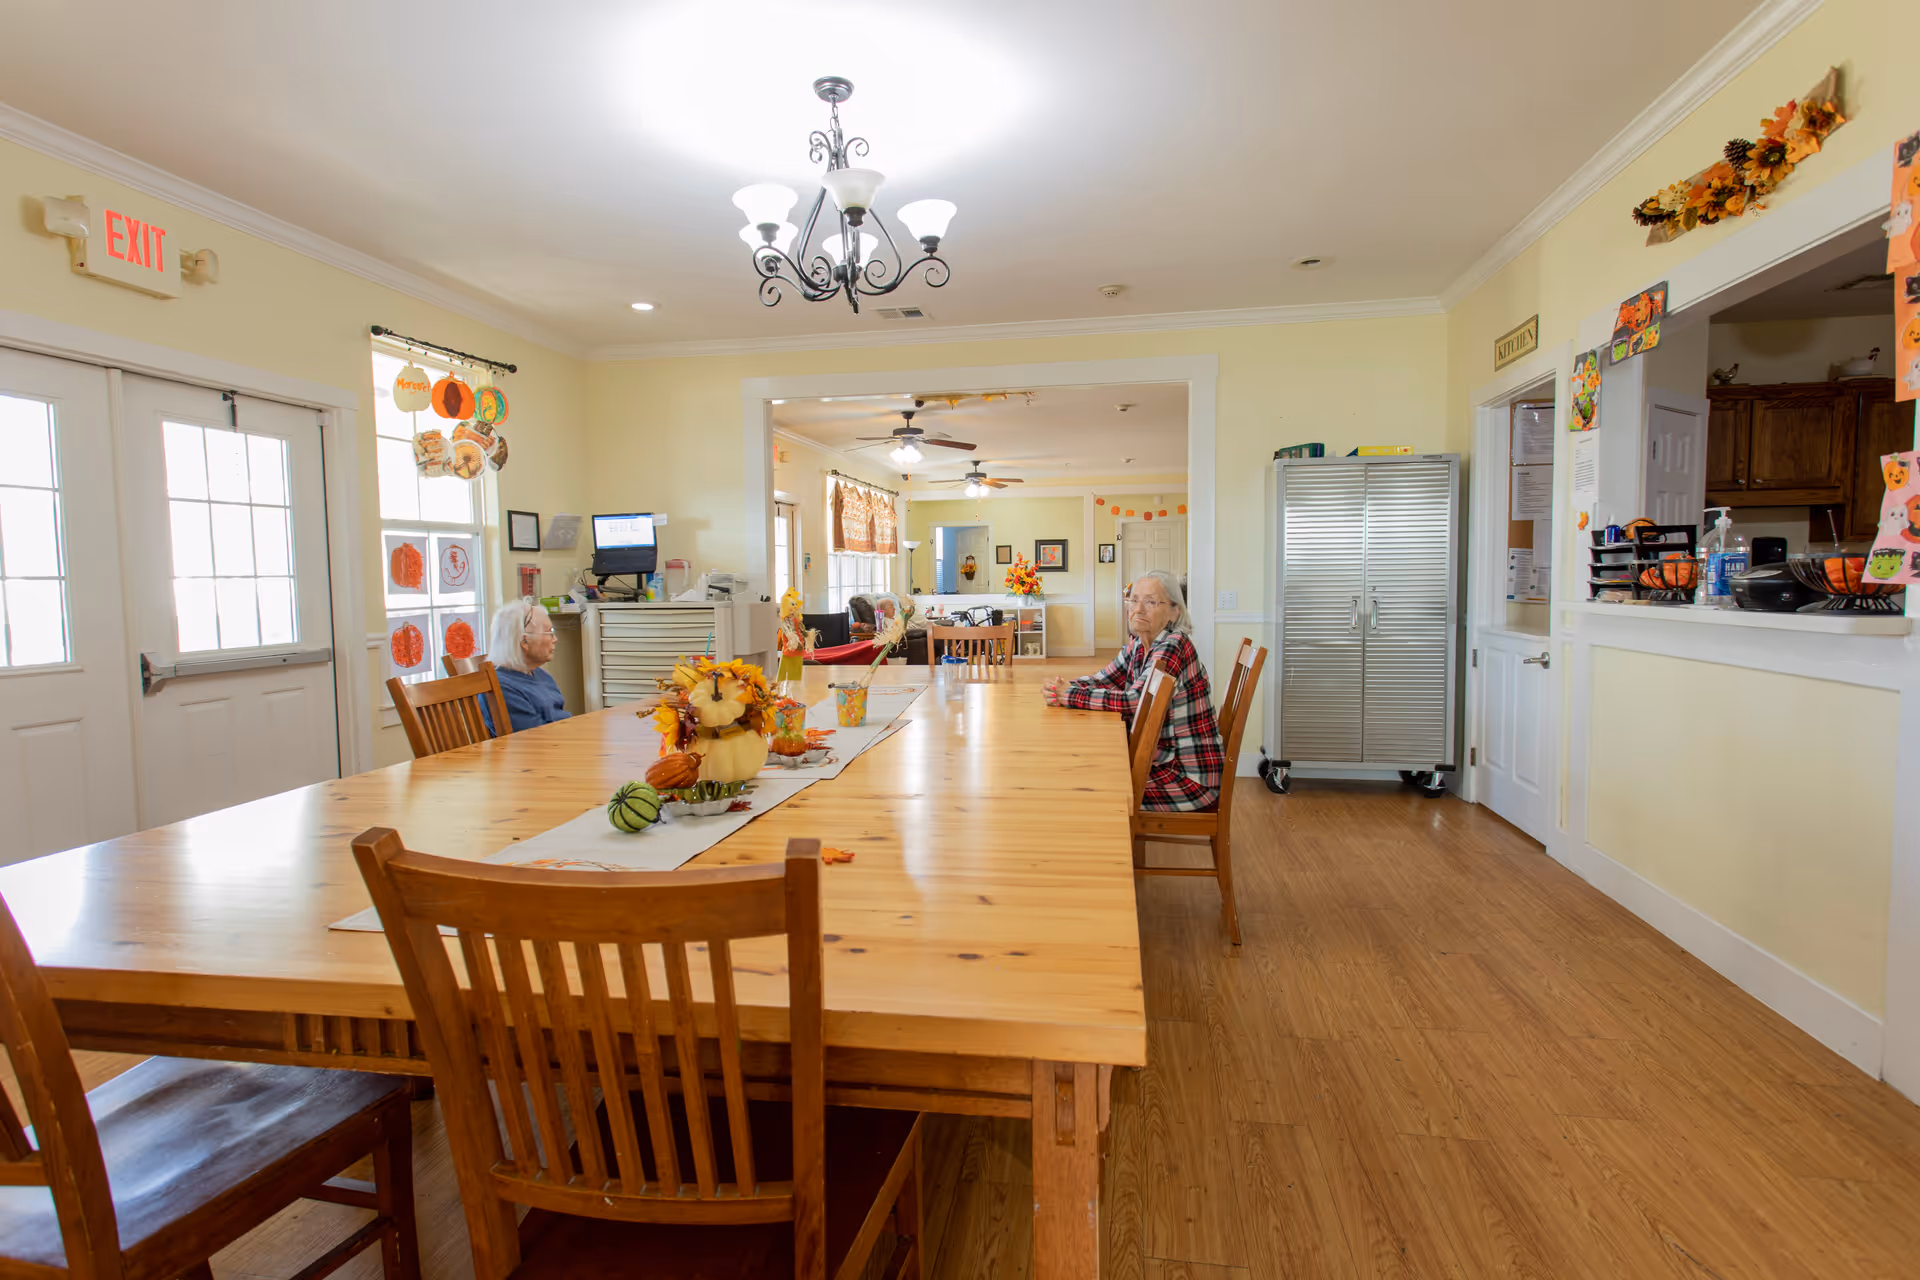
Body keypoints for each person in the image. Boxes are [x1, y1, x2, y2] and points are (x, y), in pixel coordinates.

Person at [1044, 569, 1222, 811]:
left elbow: (1136, 701)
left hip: (1188, 777)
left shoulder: (1173, 645)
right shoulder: (1139, 643)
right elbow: (1104, 679)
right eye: (1134, 599)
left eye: (1150, 602)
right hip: (1161, 761)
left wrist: (1070, 695)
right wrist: (1064, 687)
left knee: (1093, 791)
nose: (1138, 609)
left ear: (1174, 611)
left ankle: (1108, 846)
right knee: (1086, 779)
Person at [481, 598, 570, 734]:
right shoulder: (501, 688)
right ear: (524, 641)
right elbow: (533, 738)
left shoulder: (540, 674)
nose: (555, 639)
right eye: (549, 632)